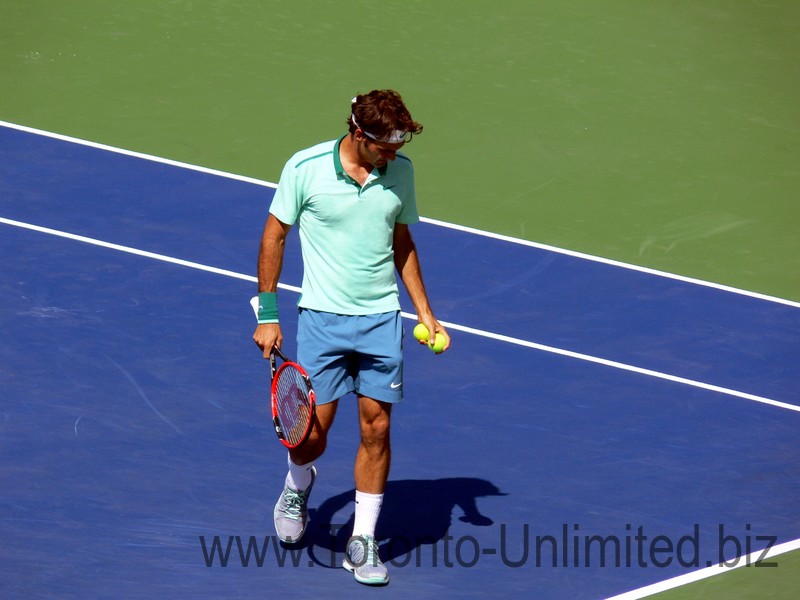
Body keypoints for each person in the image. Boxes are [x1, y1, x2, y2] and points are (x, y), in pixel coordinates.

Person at [252, 89, 450, 586]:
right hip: (322, 318)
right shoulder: (306, 167)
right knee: (311, 438)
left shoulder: (399, 171)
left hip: (382, 319)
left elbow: (402, 241)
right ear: (359, 135)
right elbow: (274, 235)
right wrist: (268, 313)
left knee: (376, 429)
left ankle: (362, 541)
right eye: (384, 145)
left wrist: (425, 311)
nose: (392, 154)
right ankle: (298, 484)